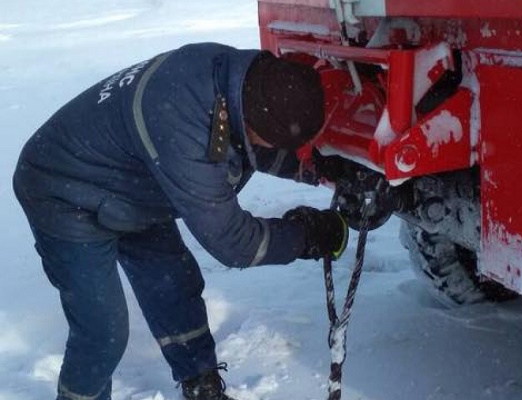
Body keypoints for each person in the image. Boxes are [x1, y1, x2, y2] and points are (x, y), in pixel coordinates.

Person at [13, 43, 348, 400]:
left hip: (135, 178)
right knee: (102, 329)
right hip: (62, 191)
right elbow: (234, 242)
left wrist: (323, 169)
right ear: (251, 122)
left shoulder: (240, 80)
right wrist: (306, 235)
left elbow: (251, 145)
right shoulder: (182, 121)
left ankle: (201, 386)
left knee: (173, 283)